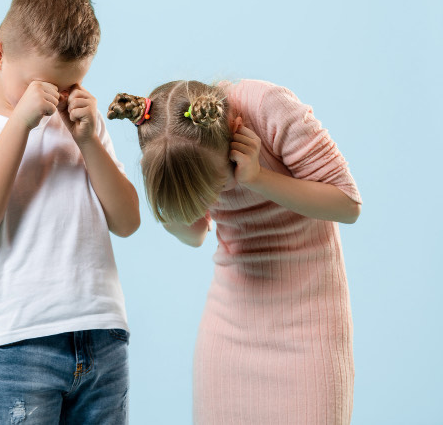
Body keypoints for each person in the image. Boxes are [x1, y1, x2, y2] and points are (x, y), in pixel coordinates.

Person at [0, 0, 141, 424]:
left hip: (102, 333)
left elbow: (126, 221)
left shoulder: (85, 126)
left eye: (71, 85)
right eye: (40, 85)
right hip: (20, 343)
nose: (56, 99)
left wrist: (89, 142)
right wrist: (21, 122)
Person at [106, 79, 362, 424]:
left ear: (235, 135)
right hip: (228, 332)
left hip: (309, 327)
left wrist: (257, 178)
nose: (210, 201)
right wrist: (170, 206)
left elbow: (348, 205)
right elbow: (195, 236)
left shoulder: (268, 106)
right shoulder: (175, 147)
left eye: (215, 186)